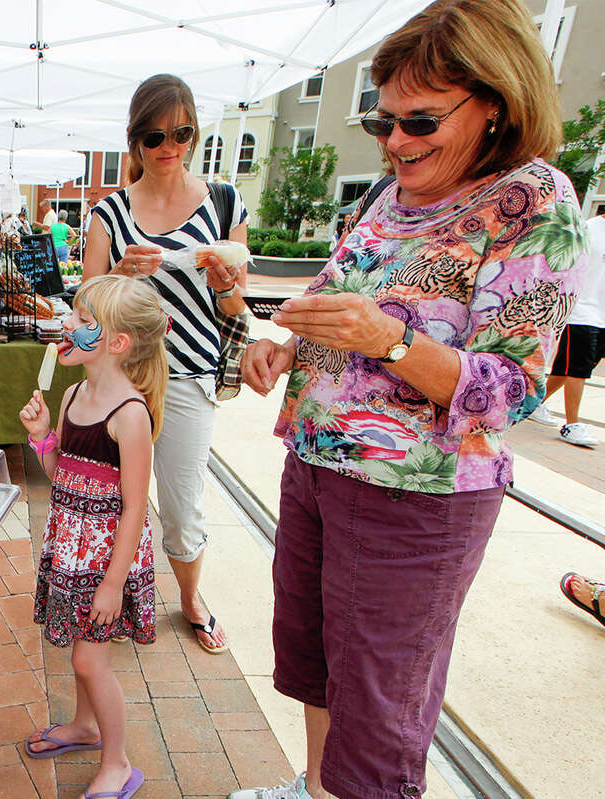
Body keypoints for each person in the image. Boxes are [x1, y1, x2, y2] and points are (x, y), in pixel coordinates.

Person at [233, 2, 586, 798]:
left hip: (416, 498)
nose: (395, 143)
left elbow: (513, 388)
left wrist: (389, 341)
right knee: (316, 663)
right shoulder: (386, 199)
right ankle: (317, 789)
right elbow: (337, 299)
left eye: (419, 122)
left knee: (382, 709)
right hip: (319, 464)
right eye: (381, 122)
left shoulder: (533, 201)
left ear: (494, 101)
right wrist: (284, 347)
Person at [84, 73, 250, 655]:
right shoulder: (108, 214)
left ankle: (191, 597)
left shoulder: (225, 201)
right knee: (113, 496)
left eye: (182, 133)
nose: (169, 147)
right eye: (155, 136)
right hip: (124, 381)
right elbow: (89, 309)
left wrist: (225, 282)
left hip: (188, 374)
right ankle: (112, 590)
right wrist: (118, 279)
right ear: (135, 141)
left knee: (181, 503)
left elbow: (234, 304)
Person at [19, 274, 166, 799]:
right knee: (80, 648)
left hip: (106, 559)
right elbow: (61, 473)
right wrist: (41, 438)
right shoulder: (75, 393)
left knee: (87, 657)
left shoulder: (129, 415)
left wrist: (112, 584)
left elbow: (134, 510)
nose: (67, 326)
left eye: (83, 322)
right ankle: (84, 726)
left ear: (117, 343)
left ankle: (118, 761)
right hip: (70, 547)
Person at [529, 212, 605, 446]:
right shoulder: (589, 230)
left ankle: (534, 403)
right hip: (580, 312)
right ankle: (572, 424)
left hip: (601, 315)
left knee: (567, 367)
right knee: (578, 370)